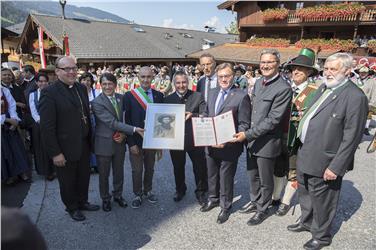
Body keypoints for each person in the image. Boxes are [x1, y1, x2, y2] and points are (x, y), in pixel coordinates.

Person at [287, 53, 368, 250]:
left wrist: (336, 166)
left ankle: (321, 236)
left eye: (334, 69)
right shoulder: (324, 87)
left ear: (348, 71)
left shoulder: (355, 96)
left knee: (323, 200)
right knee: (305, 192)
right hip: (307, 152)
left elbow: (352, 136)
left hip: (327, 159)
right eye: (327, 68)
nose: (328, 72)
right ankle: (307, 222)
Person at [232, 49, 292, 226]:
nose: (265, 65)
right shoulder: (258, 82)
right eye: (263, 62)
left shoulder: (283, 88)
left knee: (266, 179)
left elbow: (273, 120)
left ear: (278, 64)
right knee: (252, 175)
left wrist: (247, 134)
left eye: (270, 62)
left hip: (267, 142)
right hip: (252, 141)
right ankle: (255, 200)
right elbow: (253, 111)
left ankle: (262, 209)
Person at [39, 56, 99, 221]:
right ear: (57, 71)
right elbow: (46, 127)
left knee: (83, 176)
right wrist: (55, 153)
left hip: (83, 143)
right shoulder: (49, 93)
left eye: (74, 68)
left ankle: (82, 201)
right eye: (67, 69)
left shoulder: (80, 88)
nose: (72, 72)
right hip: (63, 147)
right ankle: (72, 207)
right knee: (67, 180)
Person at [200, 63, 251, 224]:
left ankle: (225, 206)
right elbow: (208, 113)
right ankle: (213, 198)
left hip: (229, 146)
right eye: (221, 76)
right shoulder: (213, 93)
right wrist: (203, 121)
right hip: (211, 144)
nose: (224, 79)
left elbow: (244, 123)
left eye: (227, 76)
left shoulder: (241, 95)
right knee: (212, 174)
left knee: (226, 177)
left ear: (233, 76)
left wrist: (232, 138)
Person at [274, 48, 319, 216]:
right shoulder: (284, 88)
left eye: (301, 69)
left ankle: (285, 202)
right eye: (294, 68)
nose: (297, 71)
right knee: (278, 168)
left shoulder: (315, 92)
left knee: (293, 171)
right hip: (279, 136)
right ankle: (276, 196)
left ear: (309, 72)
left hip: (299, 140)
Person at [92, 72, 144, 212]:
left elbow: (125, 119)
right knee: (104, 174)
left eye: (110, 84)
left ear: (115, 85)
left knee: (119, 172)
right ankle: (105, 198)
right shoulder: (96, 103)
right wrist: (133, 129)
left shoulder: (122, 98)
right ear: (100, 85)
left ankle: (118, 195)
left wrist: (124, 134)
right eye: (104, 84)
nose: (107, 87)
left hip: (120, 141)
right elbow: (112, 122)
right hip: (103, 143)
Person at [164, 71, 208, 204]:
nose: (181, 85)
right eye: (178, 82)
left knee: (199, 167)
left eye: (184, 82)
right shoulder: (167, 99)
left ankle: (201, 191)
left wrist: (193, 115)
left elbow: (205, 114)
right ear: (173, 84)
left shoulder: (197, 96)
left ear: (188, 82)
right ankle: (180, 190)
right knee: (178, 167)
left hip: (195, 139)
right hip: (175, 140)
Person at [123, 66, 164, 209]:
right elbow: (126, 120)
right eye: (143, 77)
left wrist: (160, 141)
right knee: (137, 170)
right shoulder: (129, 96)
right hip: (136, 140)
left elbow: (162, 120)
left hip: (152, 140)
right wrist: (131, 143)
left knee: (150, 168)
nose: (146, 80)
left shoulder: (159, 96)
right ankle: (137, 193)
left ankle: (148, 190)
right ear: (138, 78)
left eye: (148, 77)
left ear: (153, 78)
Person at [29, 73, 55, 181]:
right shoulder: (33, 95)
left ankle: (55, 169)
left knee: (53, 146)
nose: (43, 83)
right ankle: (46, 171)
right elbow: (33, 110)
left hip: (52, 124)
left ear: (48, 82)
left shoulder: (53, 93)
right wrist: (41, 121)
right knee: (42, 149)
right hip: (39, 125)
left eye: (45, 81)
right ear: (36, 82)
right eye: (40, 81)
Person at [1, 86, 30, 185]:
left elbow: (12, 105)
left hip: (10, 124)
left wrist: (15, 120)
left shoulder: (4, 90)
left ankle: (21, 172)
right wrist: (7, 120)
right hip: (3, 124)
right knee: (5, 152)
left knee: (17, 149)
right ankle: (9, 176)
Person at [79, 72, 101, 173]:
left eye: (88, 80)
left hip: (95, 119)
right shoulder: (76, 93)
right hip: (82, 120)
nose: (86, 82)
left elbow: (100, 106)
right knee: (85, 141)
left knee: (95, 141)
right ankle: (87, 164)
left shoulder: (96, 92)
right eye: (84, 80)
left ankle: (96, 164)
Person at [359, 66, 376, 136]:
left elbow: (374, 93)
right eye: (361, 72)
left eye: (364, 72)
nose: (362, 74)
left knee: (367, 116)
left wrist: (372, 103)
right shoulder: (354, 80)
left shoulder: (372, 82)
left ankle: (365, 128)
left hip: (366, 102)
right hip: (354, 103)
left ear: (367, 73)